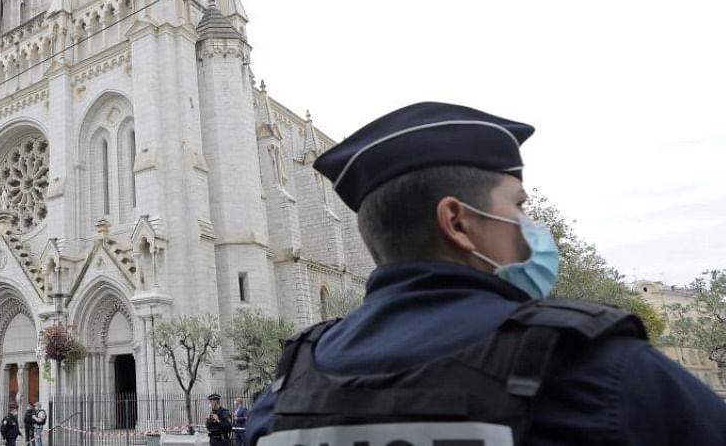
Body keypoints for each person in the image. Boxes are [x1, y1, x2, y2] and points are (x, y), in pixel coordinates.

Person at [243, 102, 726, 445]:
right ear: (457, 222)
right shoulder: (598, 370)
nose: (531, 227)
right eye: (517, 206)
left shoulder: (285, 393)